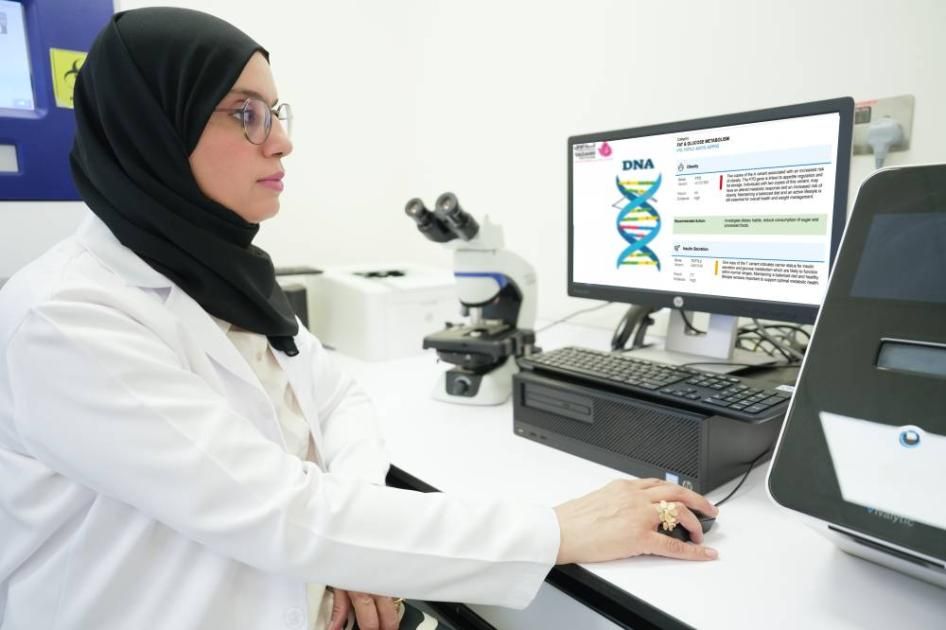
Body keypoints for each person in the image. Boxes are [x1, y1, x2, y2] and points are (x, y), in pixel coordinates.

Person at [0, 8, 719, 630]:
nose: (281, 142)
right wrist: (558, 530)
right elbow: (282, 514)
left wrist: (355, 551)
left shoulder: (220, 273)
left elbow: (340, 400)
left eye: (275, 113)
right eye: (245, 114)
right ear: (153, 128)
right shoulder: (68, 319)